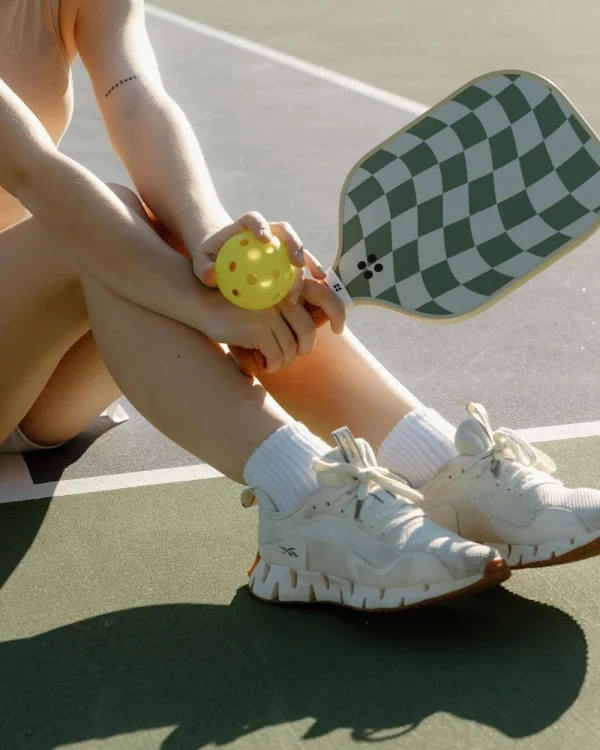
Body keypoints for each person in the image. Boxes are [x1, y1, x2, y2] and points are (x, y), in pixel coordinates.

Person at [1, 0, 599, 611]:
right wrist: (207, 308)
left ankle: (443, 472)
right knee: (93, 227)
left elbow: (135, 99)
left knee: (177, 240)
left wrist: (218, 252)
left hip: (21, 365)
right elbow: (32, 171)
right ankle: (304, 502)